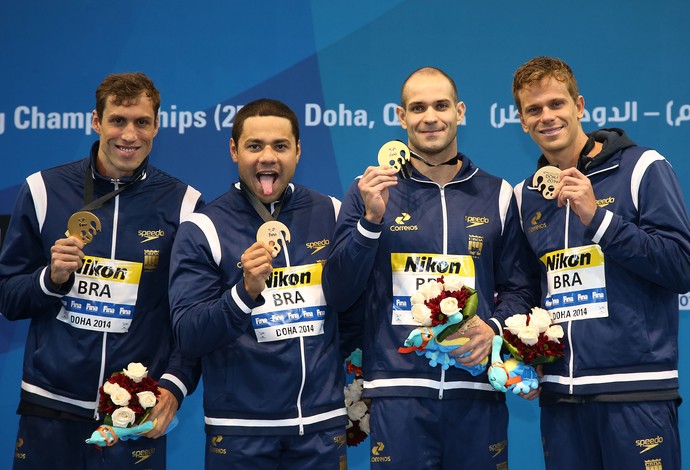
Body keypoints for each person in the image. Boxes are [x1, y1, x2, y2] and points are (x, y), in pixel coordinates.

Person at [322, 67, 540, 468]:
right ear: (401, 117)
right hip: (398, 394)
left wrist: (492, 331)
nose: (430, 117)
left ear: (460, 112)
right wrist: (370, 222)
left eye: (441, 106)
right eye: (417, 107)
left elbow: (521, 290)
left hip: (476, 392)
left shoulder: (498, 194)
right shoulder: (367, 190)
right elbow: (337, 292)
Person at [0, 72, 202, 469]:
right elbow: (8, 296)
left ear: (157, 126)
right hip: (50, 403)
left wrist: (174, 385)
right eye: (118, 120)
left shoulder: (184, 204)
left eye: (142, 122)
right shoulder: (43, 190)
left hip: (132, 410)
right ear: (96, 121)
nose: (129, 134)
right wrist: (50, 279)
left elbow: (192, 316)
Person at [512, 56, 690, 470]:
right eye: (534, 110)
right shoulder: (526, 196)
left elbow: (681, 266)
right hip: (560, 399)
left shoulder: (643, 168)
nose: (547, 117)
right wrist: (522, 356)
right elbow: (526, 292)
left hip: (634, 392)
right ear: (521, 121)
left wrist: (600, 220)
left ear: (580, 106)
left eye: (557, 104)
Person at [168, 98, 347, 469]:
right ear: (234, 150)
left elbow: (356, 309)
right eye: (254, 146)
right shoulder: (203, 228)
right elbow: (189, 334)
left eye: (280, 146)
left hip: (320, 426)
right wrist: (244, 292)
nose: (268, 157)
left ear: (298, 150)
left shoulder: (331, 213)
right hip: (240, 433)